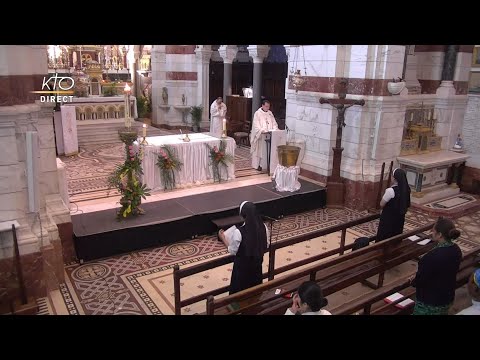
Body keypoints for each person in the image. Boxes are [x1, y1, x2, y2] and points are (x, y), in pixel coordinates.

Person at [410, 217, 462, 315]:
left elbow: (421, 280)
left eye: (433, 231)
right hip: (446, 297)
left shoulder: (431, 257)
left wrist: (413, 280)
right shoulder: (456, 250)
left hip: (429, 302)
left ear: (440, 235)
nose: (431, 233)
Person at [218, 201, 269, 295]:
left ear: (242, 215)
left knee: (238, 296)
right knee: (254, 293)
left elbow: (233, 251)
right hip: (257, 270)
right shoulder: (264, 227)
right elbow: (266, 245)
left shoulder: (239, 232)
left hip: (241, 273)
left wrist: (223, 238)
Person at [376, 168, 411, 242]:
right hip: (399, 219)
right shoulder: (407, 189)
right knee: (395, 237)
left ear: (395, 179)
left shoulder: (390, 191)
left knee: (384, 237)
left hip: (388, 219)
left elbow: (381, 204)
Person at [250, 99, 279, 171]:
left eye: (268, 106)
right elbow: (256, 126)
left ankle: (266, 165)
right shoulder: (257, 113)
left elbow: (274, 123)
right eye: (266, 106)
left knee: (267, 151)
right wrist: (262, 130)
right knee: (259, 151)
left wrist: (275, 128)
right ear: (262, 106)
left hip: (269, 135)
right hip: (261, 136)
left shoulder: (270, 113)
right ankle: (257, 165)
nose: (267, 108)